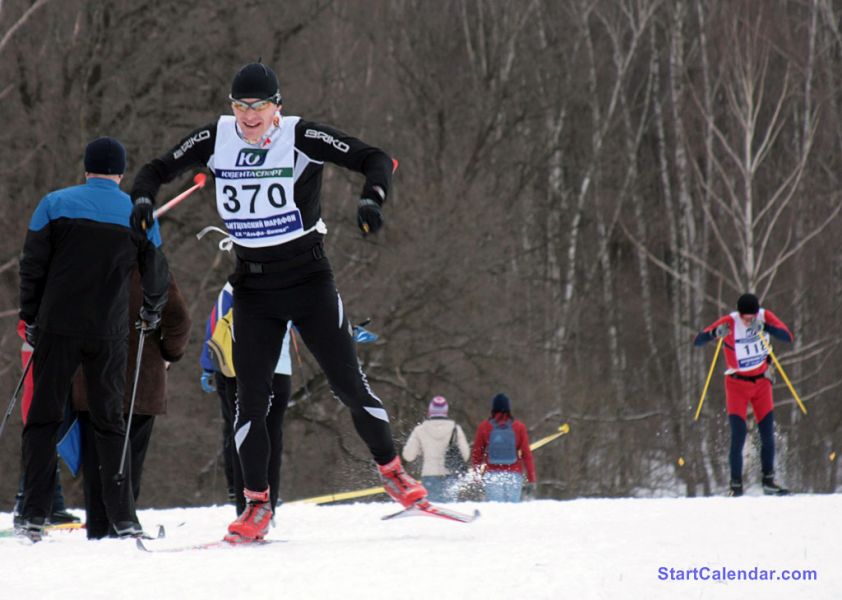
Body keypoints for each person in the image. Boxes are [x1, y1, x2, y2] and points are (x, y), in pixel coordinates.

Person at [129, 62, 425, 542]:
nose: (249, 116)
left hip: (308, 279)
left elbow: (375, 158)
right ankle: (257, 505)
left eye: (259, 106)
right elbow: (156, 170)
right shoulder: (217, 137)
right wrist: (141, 199)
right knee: (251, 400)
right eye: (241, 106)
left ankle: (392, 472)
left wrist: (371, 200)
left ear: (276, 107)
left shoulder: (300, 135)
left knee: (348, 383)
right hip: (254, 287)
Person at [17, 136, 169, 540]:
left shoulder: (53, 204)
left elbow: (32, 265)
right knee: (110, 424)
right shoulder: (139, 214)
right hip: (109, 332)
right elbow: (156, 272)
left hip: (57, 326)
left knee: (44, 419)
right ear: (120, 172)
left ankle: (33, 511)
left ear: (86, 168)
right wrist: (152, 311)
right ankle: (123, 518)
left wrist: (29, 315)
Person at [73, 270, 190, 539]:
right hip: (141, 380)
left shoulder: (84, 262)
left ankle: (100, 528)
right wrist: (169, 352)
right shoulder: (150, 268)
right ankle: (122, 524)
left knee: (95, 460)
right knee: (129, 461)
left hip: (91, 380)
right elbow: (179, 319)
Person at [199, 281, 292, 515]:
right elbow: (313, 321)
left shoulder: (235, 286)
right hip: (280, 371)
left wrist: (208, 366)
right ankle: (268, 509)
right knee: (272, 438)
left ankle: (247, 509)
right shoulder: (292, 282)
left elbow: (217, 325)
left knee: (245, 435)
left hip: (240, 369)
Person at [694, 293, 794, 496]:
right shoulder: (731, 322)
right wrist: (715, 333)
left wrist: (765, 328)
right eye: (745, 317)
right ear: (739, 313)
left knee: (766, 433)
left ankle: (768, 481)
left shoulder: (765, 317)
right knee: (738, 434)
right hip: (736, 384)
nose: (749, 320)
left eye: (752, 316)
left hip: (761, 383)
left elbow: (787, 337)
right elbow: (698, 340)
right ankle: (735, 485)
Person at [12, 320, 80, 527]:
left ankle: (53, 505)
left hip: (45, 386)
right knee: (42, 446)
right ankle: (25, 504)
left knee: (49, 447)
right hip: (39, 390)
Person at [402, 396, 470, 502]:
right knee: (449, 513)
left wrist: (422, 450)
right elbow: (465, 455)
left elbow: (408, 455)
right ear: (446, 412)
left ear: (430, 411)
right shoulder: (455, 429)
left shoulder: (420, 430)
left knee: (433, 513)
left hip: (429, 476)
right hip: (450, 476)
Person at [471, 393, 536, 502]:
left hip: (492, 475)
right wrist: (531, 478)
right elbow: (526, 454)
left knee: (496, 512)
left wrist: (476, 476)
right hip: (514, 475)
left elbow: (477, 453)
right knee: (511, 512)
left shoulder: (484, 426)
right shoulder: (519, 427)